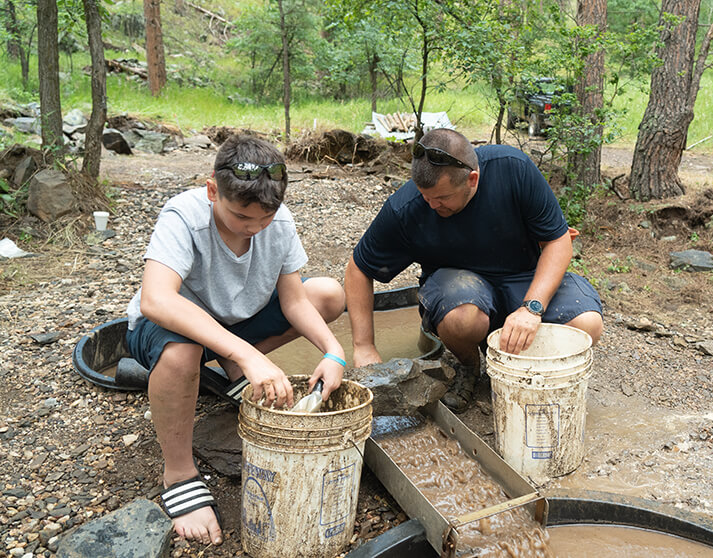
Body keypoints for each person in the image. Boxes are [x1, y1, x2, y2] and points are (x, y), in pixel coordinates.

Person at [125, 135, 348, 545]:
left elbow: (296, 301)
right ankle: (178, 472)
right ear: (213, 190)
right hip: (169, 330)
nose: (255, 228)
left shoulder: (277, 223)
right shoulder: (184, 215)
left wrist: (336, 352)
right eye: (243, 218)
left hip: (233, 328)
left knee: (328, 294)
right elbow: (157, 299)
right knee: (181, 354)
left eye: (265, 218)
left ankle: (231, 364)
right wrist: (246, 353)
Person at [344, 128, 603, 413]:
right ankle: (468, 366)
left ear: (472, 179)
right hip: (458, 288)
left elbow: (558, 240)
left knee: (587, 325)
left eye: (442, 198)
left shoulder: (513, 169)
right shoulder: (406, 208)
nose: (431, 205)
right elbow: (358, 268)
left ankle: (526, 370)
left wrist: (532, 308)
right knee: (462, 318)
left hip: (523, 279)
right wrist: (364, 345)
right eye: (425, 196)